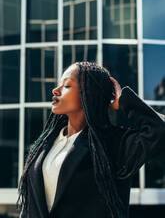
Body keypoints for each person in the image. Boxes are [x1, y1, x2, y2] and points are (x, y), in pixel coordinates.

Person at [18, 61, 165, 218]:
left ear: (88, 93)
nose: (56, 90)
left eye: (66, 86)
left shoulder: (113, 144)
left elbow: (159, 131)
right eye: (59, 85)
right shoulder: (45, 144)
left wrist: (124, 102)